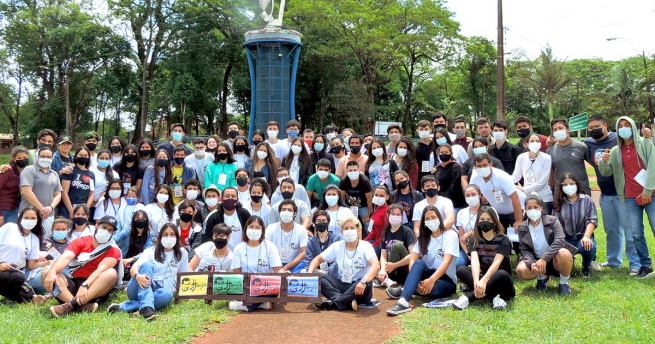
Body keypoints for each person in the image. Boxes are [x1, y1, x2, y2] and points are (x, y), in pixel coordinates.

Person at [599, 116, 655, 278]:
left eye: (627, 125)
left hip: (650, 194)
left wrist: (647, 190)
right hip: (630, 197)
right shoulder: (616, 151)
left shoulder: (645, 143)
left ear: (633, 127)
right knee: (636, 233)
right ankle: (645, 265)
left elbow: (653, 165)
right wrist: (604, 161)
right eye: (620, 126)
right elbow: (606, 172)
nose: (624, 128)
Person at [584, 115, 638, 272]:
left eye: (597, 126)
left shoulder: (618, 138)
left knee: (630, 230)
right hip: (605, 194)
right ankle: (614, 261)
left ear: (605, 125)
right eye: (591, 128)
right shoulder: (587, 143)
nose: (594, 130)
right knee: (612, 230)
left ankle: (635, 264)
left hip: (624, 194)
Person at [386, 206, 458, 315]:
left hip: (446, 279)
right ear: (424, 222)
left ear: (439, 218)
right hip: (426, 274)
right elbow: (413, 259)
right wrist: (417, 279)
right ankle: (403, 301)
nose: (431, 221)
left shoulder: (450, 235)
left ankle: (405, 289)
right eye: (427, 219)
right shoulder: (422, 236)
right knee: (418, 263)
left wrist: (431, 280)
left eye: (433, 217)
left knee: (431, 290)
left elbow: (446, 263)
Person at [107, 222, 189, 320]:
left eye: (172, 234)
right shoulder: (150, 251)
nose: (169, 237)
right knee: (147, 265)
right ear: (160, 237)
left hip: (160, 291)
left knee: (168, 295)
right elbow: (134, 268)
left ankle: (127, 306)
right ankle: (147, 307)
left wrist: (184, 294)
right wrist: (138, 277)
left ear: (176, 236)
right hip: (139, 286)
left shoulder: (182, 253)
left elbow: (184, 275)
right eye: (165, 234)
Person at [43, 215, 121, 317]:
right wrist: (52, 272)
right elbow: (65, 258)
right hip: (73, 283)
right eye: (104, 227)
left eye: (110, 230)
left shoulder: (114, 250)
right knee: (46, 271)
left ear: (112, 233)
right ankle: (79, 306)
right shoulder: (81, 241)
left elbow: (101, 270)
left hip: (94, 287)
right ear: (96, 226)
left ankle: (70, 305)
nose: (106, 231)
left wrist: (85, 285)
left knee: (111, 273)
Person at [309, 215, 380, 311]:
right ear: (342, 232)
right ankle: (346, 301)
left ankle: (332, 303)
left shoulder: (366, 246)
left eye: (352, 228)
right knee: (317, 276)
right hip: (342, 283)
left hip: (360, 287)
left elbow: (376, 265)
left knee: (367, 283)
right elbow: (317, 259)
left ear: (358, 231)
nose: (349, 230)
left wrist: (363, 281)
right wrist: (309, 274)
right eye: (346, 228)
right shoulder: (337, 246)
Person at [453, 206, 515, 310]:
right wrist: (477, 281)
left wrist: (483, 281)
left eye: (488, 219)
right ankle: (495, 296)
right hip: (483, 275)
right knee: (461, 270)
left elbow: (497, 262)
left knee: (501, 274)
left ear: (494, 222)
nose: (485, 222)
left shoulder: (504, 239)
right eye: (482, 219)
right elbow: (475, 261)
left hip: (502, 281)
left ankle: (469, 297)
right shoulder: (474, 239)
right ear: (477, 221)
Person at [516, 196, 576, 295]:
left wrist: (544, 258)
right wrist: (532, 264)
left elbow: (560, 240)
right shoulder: (522, 227)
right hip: (536, 261)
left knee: (564, 253)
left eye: (535, 207)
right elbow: (525, 250)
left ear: (542, 208)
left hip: (555, 259)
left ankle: (564, 283)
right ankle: (542, 278)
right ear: (525, 210)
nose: (532, 210)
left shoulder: (553, 220)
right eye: (529, 208)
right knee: (521, 270)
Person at [229, 215, 282, 312]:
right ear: (246, 229)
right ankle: (261, 303)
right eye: (251, 227)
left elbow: (277, 270)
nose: (254, 230)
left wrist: (284, 274)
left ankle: (245, 306)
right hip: (245, 286)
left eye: (257, 227)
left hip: (265, 287)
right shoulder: (239, 248)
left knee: (275, 287)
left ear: (262, 230)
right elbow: (236, 273)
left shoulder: (270, 246)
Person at [552, 174, 598, 277]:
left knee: (589, 247)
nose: (569, 187)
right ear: (561, 187)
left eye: (572, 184)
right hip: (565, 239)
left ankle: (586, 267)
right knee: (560, 260)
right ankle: (568, 264)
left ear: (577, 184)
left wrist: (586, 236)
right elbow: (555, 224)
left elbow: (592, 220)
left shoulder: (586, 200)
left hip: (582, 237)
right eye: (565, 185)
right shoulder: (558, 202)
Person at [0, 206, 49, 304]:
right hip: (2, 269)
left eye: (32, 218)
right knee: (19, 279)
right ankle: (29, 297)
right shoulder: (9, 227)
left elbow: (31, 266)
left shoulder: (34, 239)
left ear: (37, 220)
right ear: (20, 218)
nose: (29, 221)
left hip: (16, 272)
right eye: (26, 218)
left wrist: (48, 262)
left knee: (20, 281)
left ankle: (29, 297)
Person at [469, 154, 523, 232]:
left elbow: (515, 198)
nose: (482, 168)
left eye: (485, 165)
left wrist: (518, 220)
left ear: (491, 164)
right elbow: (471, 192)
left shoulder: (501, 177)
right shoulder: (475, 177)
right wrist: (482, 195)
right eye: (479, 166)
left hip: (515, 212)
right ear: (475, 167)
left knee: (516, 240)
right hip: (497, 213)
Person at [19, 146, 62, 236]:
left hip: (48, 215)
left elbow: (58, 194)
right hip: (29, 214)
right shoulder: (30, 170)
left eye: (49, 157)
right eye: (43, 156)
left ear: (52, 158)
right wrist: (42, 209)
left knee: (45, 241)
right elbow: (26, 192)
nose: (45, 159)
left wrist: (50, 207)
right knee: (25, 239)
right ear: (38, 157)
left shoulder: (54, 174)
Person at [29, 217, 73, 296]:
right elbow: (30, 252)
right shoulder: (43, 240)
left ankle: (52, 294)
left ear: (68, 230)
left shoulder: (71, 245)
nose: (60, 231)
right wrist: (36, 256)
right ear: (52, 230)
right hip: (41, 272)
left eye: (63, 229)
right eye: (57, 229)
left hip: (61, 271)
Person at [511, 133, 554, 213]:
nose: (535, 143)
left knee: (545, 223)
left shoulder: (546, 158)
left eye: (537, 141)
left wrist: (524, 189)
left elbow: (543, 181)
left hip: (544, 198)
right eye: (532, 141)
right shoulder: (521, 157)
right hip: (528, 198)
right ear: (527, 144)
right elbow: (516, 176)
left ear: (540, 144)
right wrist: (506, 182)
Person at [547, 118, 591, 195]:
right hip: (560, 193)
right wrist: (549, 190)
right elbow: (551, 173)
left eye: (560, 128)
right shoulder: (550, 150)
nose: (558, 131)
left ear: (568, 129)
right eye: (555, 129)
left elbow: (594, 164)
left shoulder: (581, 146)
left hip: (581, 190)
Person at [265, 200, 309, 273]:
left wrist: (285, 268)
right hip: (274, 264)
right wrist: (278, 269)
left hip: (294, 265)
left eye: (289, 210)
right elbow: (266, 251)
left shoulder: (301, 229)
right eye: (283, 210)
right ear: (279, 213)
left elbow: (304, 252)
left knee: (305, 265)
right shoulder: (270, 228)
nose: (286, 212)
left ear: (295, 213)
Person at [377, 204, 415, 287]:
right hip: (390, 269)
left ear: (402, 217)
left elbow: (413, 255)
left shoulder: (407, 231)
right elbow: (383, 255)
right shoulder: (385, 231)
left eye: (398, 215)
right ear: (388, 216)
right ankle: (386, 278)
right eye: (393, 214)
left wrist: (395, 265)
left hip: (403, 269)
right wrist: (383, 269)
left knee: (397, 246)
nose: (395, 217)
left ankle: (387, 279)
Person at [60, 147, 95, 219]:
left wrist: (86, 210)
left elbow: (91, 194)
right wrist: (71, 211)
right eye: (80, 155)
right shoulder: (69, 171)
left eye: (85, 155)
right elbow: (64, 192)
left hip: (83, 210)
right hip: (67, 209)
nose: (83, 157)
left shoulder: (91, 174)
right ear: (75, 157)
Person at [456, 184, 484, 267]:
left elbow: (491, 231)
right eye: (467, 195)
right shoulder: (461, 213)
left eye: (473, 194)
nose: (470, 197)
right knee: (457, 264)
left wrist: (471, 233)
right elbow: (461, 237)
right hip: (468, 247)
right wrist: (468, 253)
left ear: (479, 195)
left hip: (485, 246)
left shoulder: (488, 211)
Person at [0, 146, 29, 225]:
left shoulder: (27, 171)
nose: (22, 159)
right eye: (19, 158)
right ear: (14, 159)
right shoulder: (8, 170)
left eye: (24, 157)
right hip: (3, 209)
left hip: (14, 209)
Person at [339, 161, 373, 228]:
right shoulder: (343, 181)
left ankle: (368, 238)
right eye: (350, 170)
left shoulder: (365, 181)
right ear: (347, 171)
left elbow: (369, 199)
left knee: (368, 224)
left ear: (359, 170)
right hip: (348, 206)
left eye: (355, 170)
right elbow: (341, 198)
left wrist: (370, 215)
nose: (353, 172)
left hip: (363, 206)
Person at [433, 144, 465, 212]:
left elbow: (455, 186)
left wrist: (443, 198)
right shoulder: (438, 168)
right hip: (440, 204)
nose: (444, 154)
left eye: (446, 152)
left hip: (455, 204)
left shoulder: (456, 167)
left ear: (451, 153)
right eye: (441, 152)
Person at [363, 185, 390, 257]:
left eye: (381, 196)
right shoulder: (377, 209)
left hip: (382, 243)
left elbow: (386, 233)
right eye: (376, 195)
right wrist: (363, 241)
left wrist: (373, 245)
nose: (378, 197)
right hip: (375, 240)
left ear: (387, 197)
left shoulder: (387, 211)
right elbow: (374, 231)